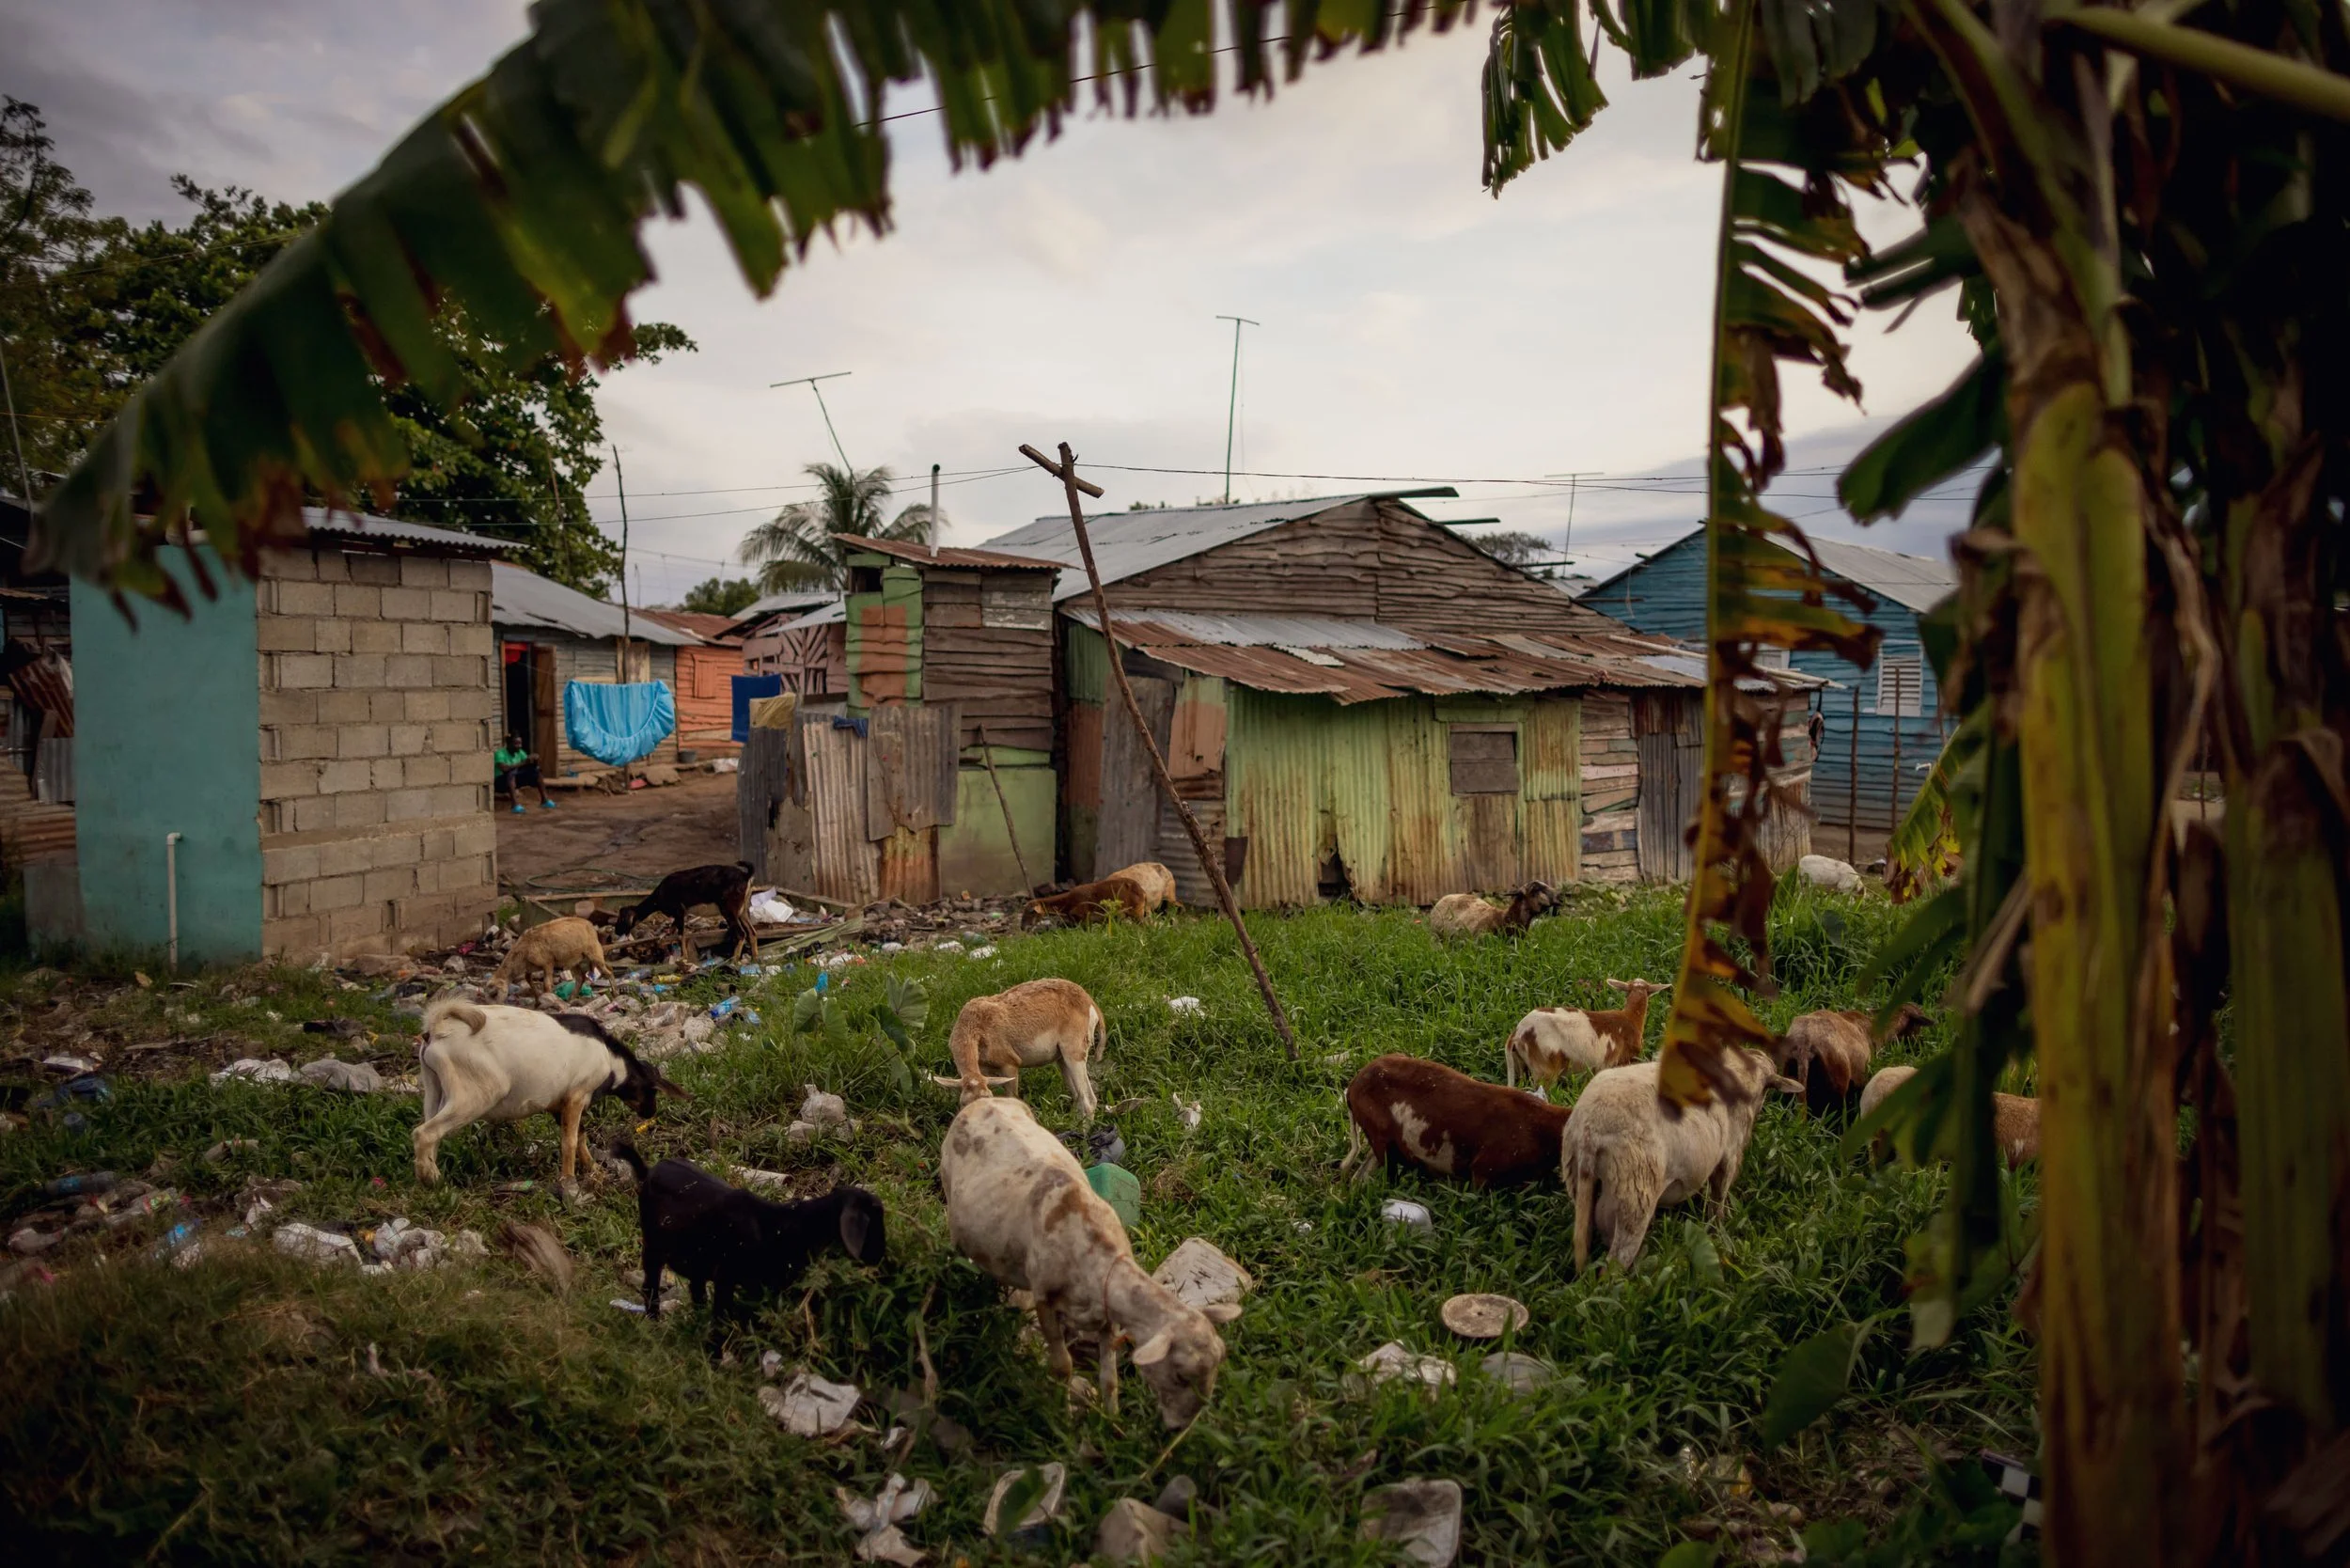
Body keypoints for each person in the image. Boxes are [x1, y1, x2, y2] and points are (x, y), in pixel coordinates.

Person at [495, 734, 556, 813]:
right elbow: (504, 768)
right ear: (509, 744)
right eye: (516, 744)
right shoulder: (500, 753)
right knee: (511, 773)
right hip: (499, 783)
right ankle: (515, 805)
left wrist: (534, 760)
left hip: (514, 781)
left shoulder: (520, 752)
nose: (519, 746)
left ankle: (545, 800)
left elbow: (527, 764)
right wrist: (524, 762)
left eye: (520, 743)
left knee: (536, 771)